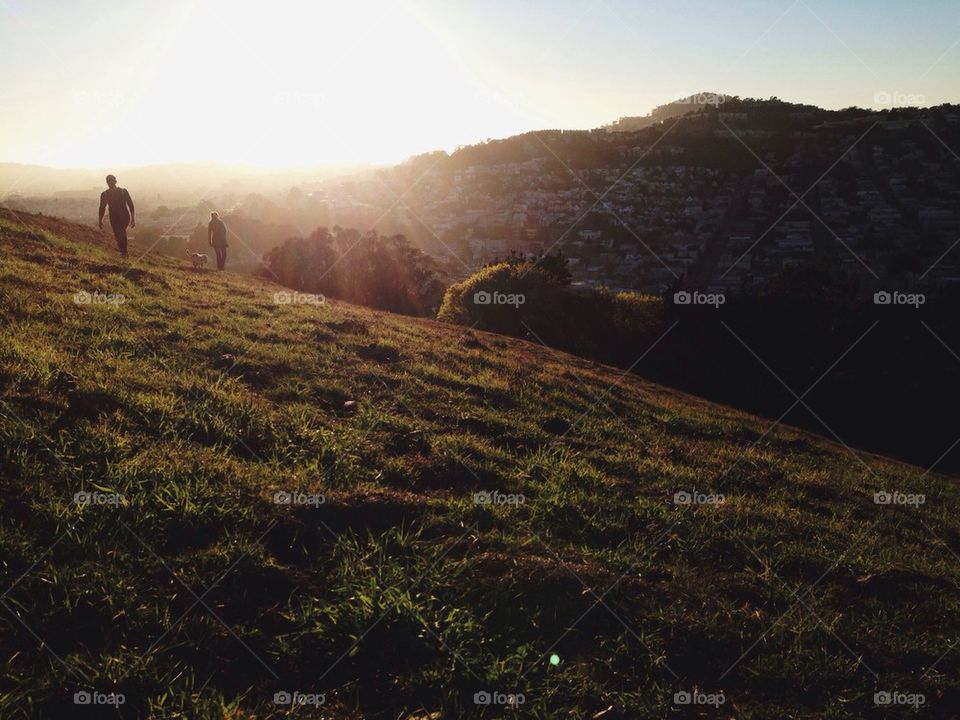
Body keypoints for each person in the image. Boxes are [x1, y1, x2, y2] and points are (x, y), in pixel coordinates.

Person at [98, 174, 135, 256]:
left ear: (115, 181)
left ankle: (124, 253)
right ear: (107, 183)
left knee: (121, 232)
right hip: (113, 217)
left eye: (111, 180)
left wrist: (133, 219)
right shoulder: (104, 194)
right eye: (108, 181)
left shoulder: (123, 191)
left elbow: (130, 204)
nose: (110, 182)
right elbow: (102, 208)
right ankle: (123, 252)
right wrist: (100, 220)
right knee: (117, 234)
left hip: (124, 216)